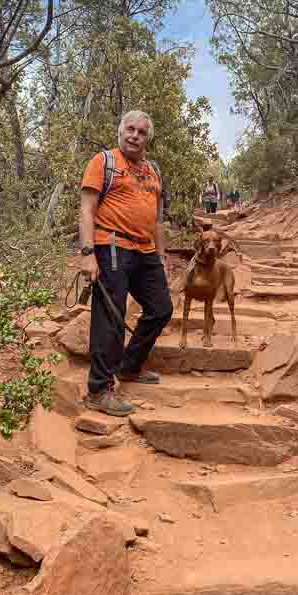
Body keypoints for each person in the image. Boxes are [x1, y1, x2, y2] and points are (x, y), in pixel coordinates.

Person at [79, 110, 173, 417]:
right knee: (111, 316)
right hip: (112, 245)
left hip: (145, 250)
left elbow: (158, 218)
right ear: (120, 132)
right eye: (129, 129)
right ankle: (98, 390)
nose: (134, 135)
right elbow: (87, 209)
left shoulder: (153, 170)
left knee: (161, 309)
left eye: (141, 132)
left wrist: (161, 254)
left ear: (148, 138)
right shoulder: (104, 162)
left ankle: (129, 366)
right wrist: (87, 253)